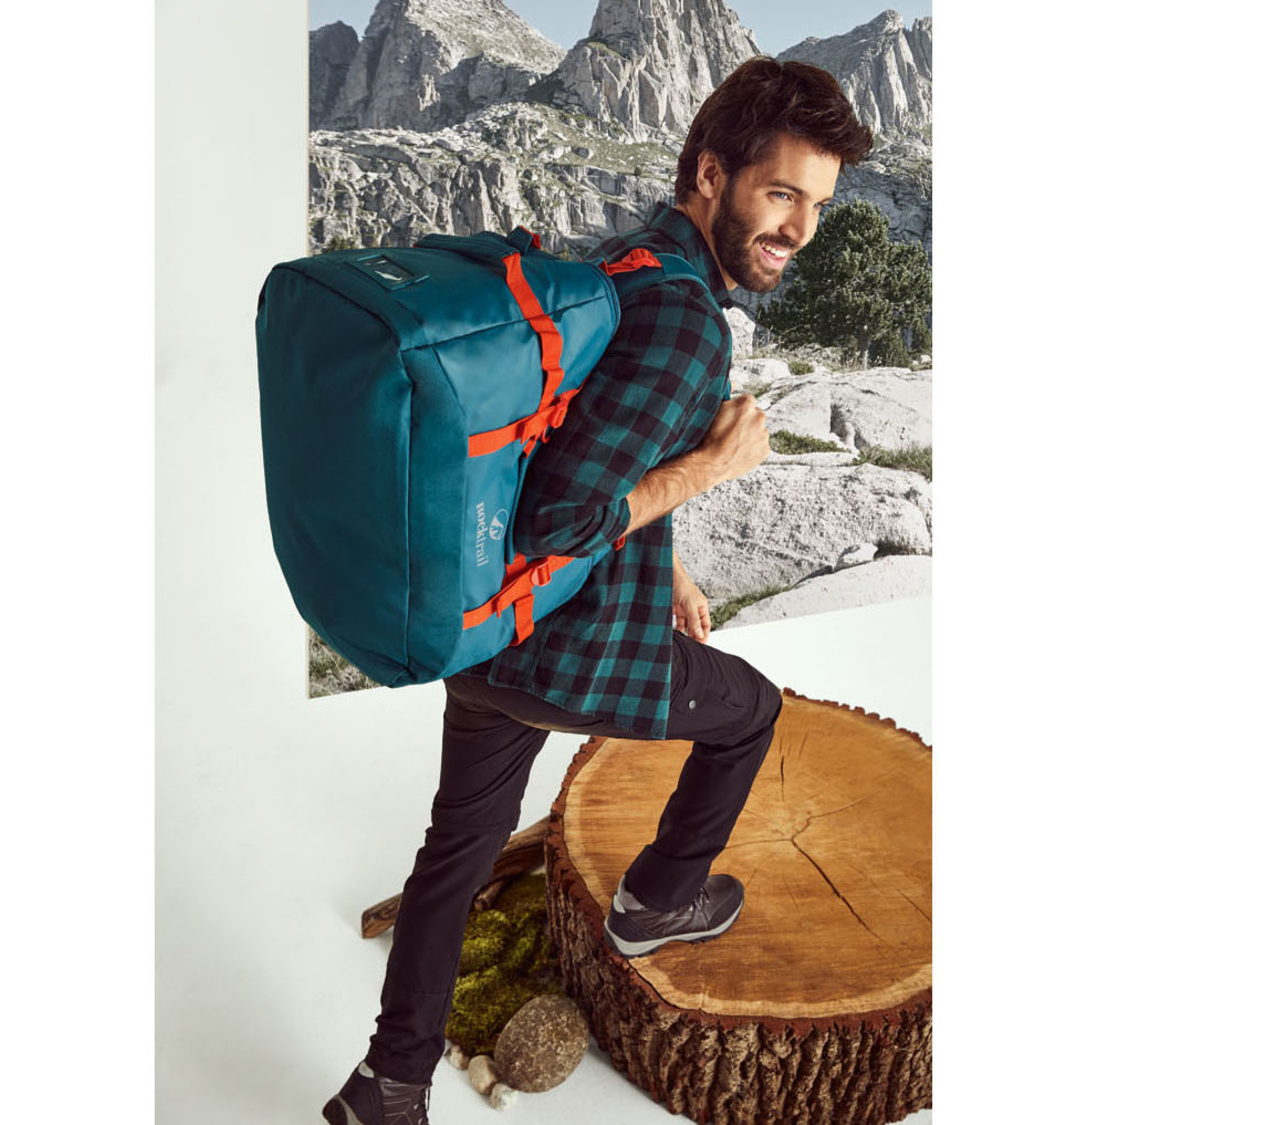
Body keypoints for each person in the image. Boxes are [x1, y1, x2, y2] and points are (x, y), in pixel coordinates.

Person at [323, 56, 874, 1125]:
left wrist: (670, 566)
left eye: (816, 204)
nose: (799, 228)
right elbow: (561, 518)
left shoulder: (617, 265)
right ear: (709, 174)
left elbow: (577, 453)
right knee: (751, 712)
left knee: (455, 854)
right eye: (780, 194)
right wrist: (712, 468)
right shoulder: (687, 324)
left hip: (489, 633)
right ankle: (655, 902)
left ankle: (387, 1086)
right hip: (573, 649)